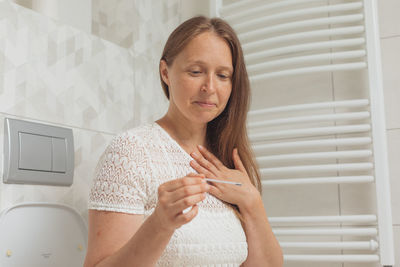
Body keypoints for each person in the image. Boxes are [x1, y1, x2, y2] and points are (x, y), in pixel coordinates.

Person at [84, 16, 283, 267]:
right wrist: (160, 224)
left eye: (223, 75)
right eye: (196, 72)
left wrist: (252, 203)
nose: (209, 87)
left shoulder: (227, 162)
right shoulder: (130, 152)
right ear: (165, 72)